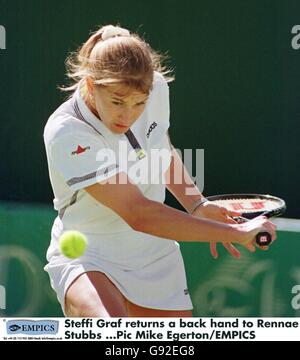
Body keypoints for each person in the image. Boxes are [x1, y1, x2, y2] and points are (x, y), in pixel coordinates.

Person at [43, 25, 276, 317]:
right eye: (117, 101)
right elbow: (137, 212)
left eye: (139, 103)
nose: (127, 115)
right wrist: (237, 232)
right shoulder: (67, 132)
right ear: (90, 86)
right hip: (90, 256)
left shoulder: (156, 87)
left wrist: (197, 204)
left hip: (155, 255)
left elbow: (160, 152)